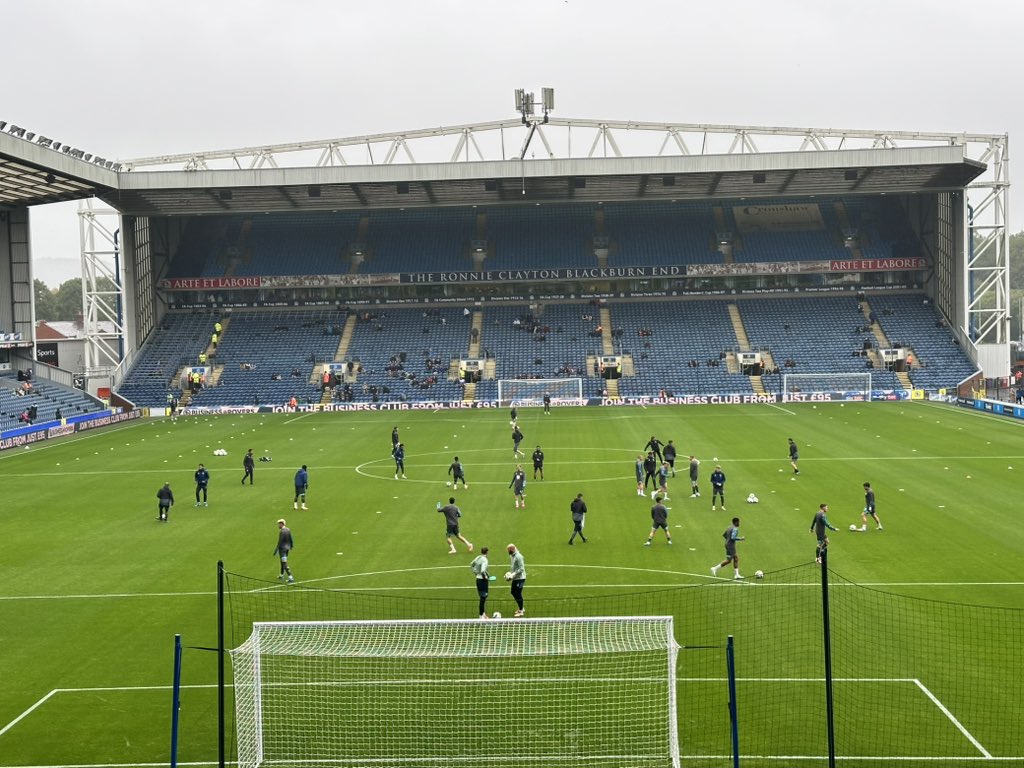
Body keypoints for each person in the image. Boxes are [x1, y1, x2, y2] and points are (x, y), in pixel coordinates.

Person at [470, 546, 491, 619]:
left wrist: (475, 573)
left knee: (482, 597)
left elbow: (471, 564)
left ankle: (483, 613)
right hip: (482, 581)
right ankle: (481, 615)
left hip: (478, 580)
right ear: (487, 552)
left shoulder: (478, 557)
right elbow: (482, 570)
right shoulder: (485, 560)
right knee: (483, 598)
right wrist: (485, 577)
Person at [506, 543, 527, 617]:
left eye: (508, 550)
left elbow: (521, 569)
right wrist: (509, 575)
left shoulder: (518, 556)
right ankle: (521, 607)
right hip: (516, 578)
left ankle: (521, 610)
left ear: (512, 549)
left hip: (520, 578)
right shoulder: (512, 555)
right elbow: (514, 567)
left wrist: (513, 574)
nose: (508, 552)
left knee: (518, 593)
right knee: (513, 592)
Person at [274, 518, 295, 583]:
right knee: (282, 561)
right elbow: (291, 538)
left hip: (282, 549)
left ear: (282, 524)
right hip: (287, 548)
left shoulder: (282, 532)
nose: (278, 525)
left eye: (279, 524)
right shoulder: (288, 529)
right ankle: (281, 575)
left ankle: (290, 577)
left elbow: (280, 541)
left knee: (284, 563)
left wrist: (276, 549)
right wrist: (291, 545)